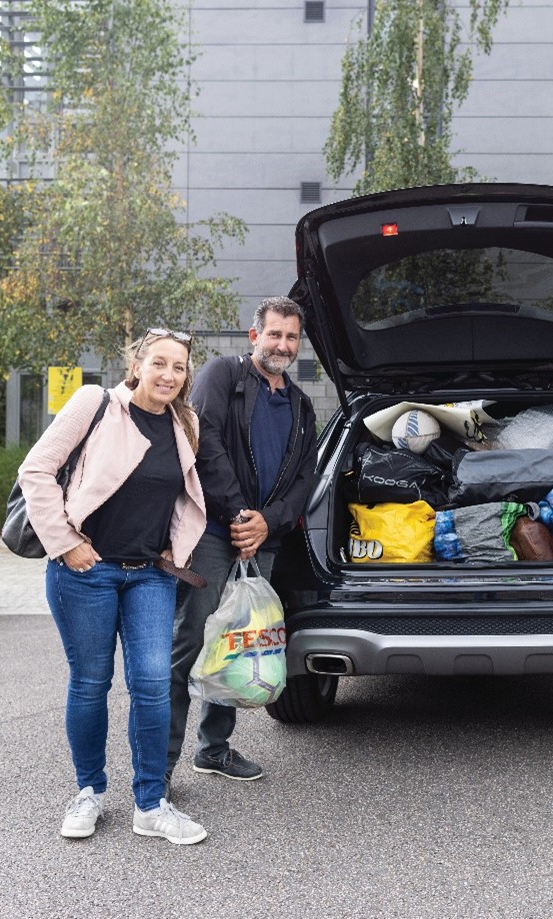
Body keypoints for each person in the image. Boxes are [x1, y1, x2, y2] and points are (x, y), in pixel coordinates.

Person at [18, 328, 211, 844]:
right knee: (91, 682)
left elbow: (183, 494)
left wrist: (175, 548)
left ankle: (150, 804)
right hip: (86, 571)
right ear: (137, 365)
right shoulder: (96, 403)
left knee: (152, 683)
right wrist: (64, 542)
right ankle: (89, 791)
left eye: (179, 367)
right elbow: (36, 470)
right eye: (159, 363)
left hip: (150, 574)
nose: (168, 375)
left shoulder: (186, 422)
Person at [166, 296, 318, 786]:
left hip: (262, 542)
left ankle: (214, 749)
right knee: (191, 642)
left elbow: (305, 479)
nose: (283, 345)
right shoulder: (222, 376)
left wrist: (267, 523)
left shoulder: (301, 404)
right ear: (255, 336)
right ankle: (158, 769)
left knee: (236, 644)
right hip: (213, 534)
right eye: (274, 334)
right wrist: (238, 516)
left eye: (291, 337)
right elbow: (204, 444)